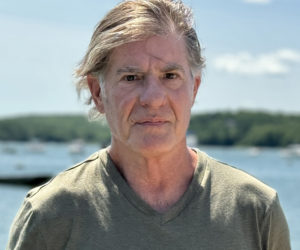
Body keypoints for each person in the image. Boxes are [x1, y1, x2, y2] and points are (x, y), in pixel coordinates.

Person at [7, 0, 290, 249]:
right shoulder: (50, 214)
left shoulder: (256, 210)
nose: (153, 98)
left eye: (170, 76)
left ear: (194, 89)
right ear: (97, 93)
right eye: (131, 77)